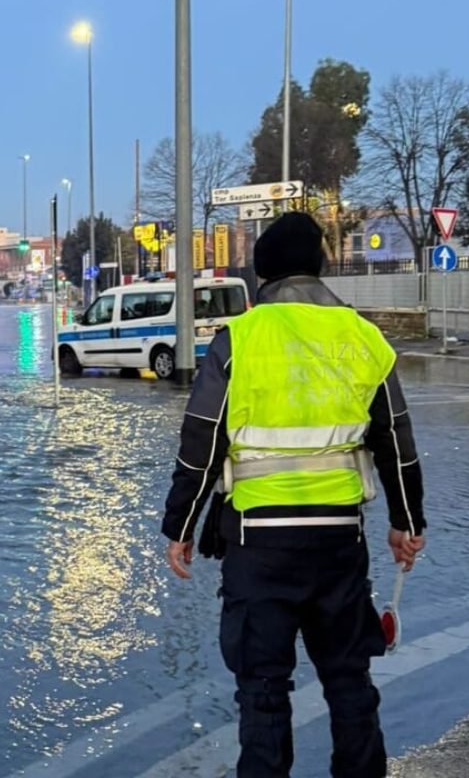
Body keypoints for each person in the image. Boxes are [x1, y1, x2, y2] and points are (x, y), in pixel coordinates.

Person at [161, 212, 426, 778]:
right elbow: (396, 442)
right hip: (339, 545)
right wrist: (407, 521)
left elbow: (200, 442)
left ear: (263, 274)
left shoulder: (240, 340)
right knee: (349, 684)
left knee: (262, 691)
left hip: (258, 549)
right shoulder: (364, 338)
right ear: (320, 267)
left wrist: (180, 528)